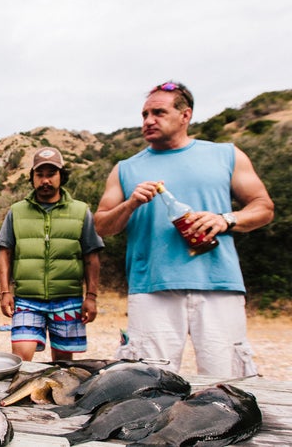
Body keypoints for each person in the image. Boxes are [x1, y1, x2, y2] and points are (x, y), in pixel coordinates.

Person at [94, 81, 274, 378]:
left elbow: (263, 207)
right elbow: (101, 225)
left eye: (159, 112)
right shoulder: (125, 168)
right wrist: (129, 205)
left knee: (228, 381)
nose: (149, 120)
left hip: (219, 285)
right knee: (146, 382)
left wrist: (225, 219)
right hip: (152, 289)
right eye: (144, 114)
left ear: (185, 115)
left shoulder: (226, 155)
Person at [0, 147, 104, 362]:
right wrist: (5, 292)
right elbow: (4, 252)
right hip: (27, 299)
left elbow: (91, 257)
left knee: (62, 364)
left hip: (68, 299)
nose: (45, 180)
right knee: (21, 360)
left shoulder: (81, 211)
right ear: (32, 178)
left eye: (51, 174)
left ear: (61, 176)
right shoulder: (16, 211)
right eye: (40, 174)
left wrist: (91, 297)